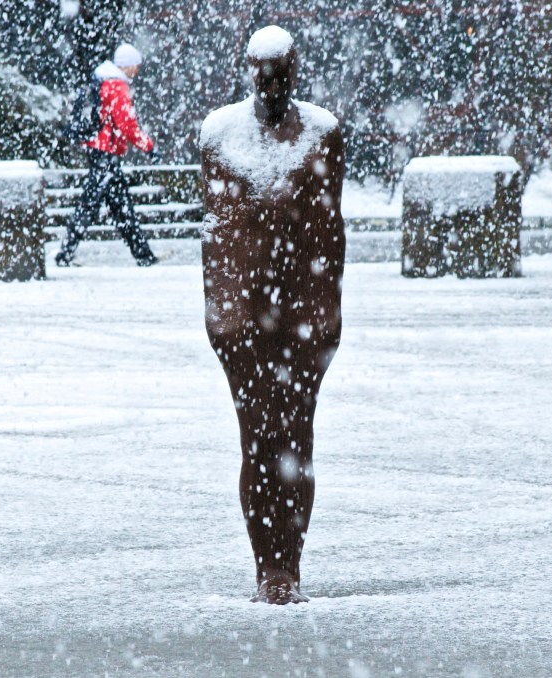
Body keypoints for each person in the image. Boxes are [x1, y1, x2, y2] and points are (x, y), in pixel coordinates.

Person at [199, 25, 346, 604]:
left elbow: (329, 237)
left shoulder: (322, 134)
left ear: (294, 72)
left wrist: (323, 325)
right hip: (241, 325)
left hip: (303, 322)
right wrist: (224, 323)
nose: (272, 85)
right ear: (249, 72)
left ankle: (290, 563)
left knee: (295, 440)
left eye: (281, 74)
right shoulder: (220, 137)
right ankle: (269, 565)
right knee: (257, 441)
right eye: (263, 74)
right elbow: (216, 237)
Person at [56, 43, 159, 267]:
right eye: (135, 66)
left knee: (118, 206)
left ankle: (143, 255)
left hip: (100, 151)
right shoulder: (116, 86)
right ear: (127, 65)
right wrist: (148, 147)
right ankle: (65, 253)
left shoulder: (103, 83)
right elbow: (127, 124)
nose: (137, 71)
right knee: (94, 205)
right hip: (105, 153)